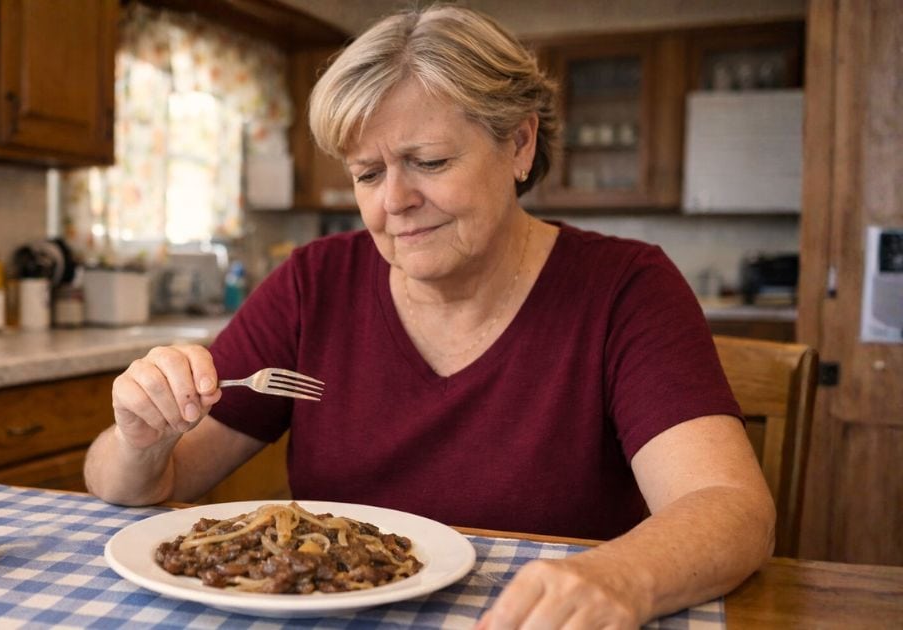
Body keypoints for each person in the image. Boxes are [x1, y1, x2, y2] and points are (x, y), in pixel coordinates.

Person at [84, 5, 775, 628]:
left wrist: (622, 577)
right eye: (367, 174)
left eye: (429, 161)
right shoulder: (314, 282)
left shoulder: (625, 287)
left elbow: (730, 507)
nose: (394, 201)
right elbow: (140, 482)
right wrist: (140, 440)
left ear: (520, 145)